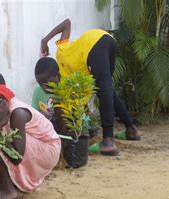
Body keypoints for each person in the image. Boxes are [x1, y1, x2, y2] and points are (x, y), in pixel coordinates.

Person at [37, 18, 141, 155]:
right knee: (107, 90)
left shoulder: (67, 84)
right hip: (106, 40)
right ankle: (131, 129)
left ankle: (108, 141)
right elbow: (67, 24)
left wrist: (44, 41)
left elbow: (67, 22)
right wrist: (45, 40)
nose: (46, 88)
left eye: (47, 83)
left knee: (104, 90)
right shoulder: (61, 52)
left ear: (56, 75)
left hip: (94, 46)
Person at [0, 71, 61, 199]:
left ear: (7, 95)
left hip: (48, 150)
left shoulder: (18, 113)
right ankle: (6, 179)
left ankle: (8, 190)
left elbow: (16, 158)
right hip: (30, 147)